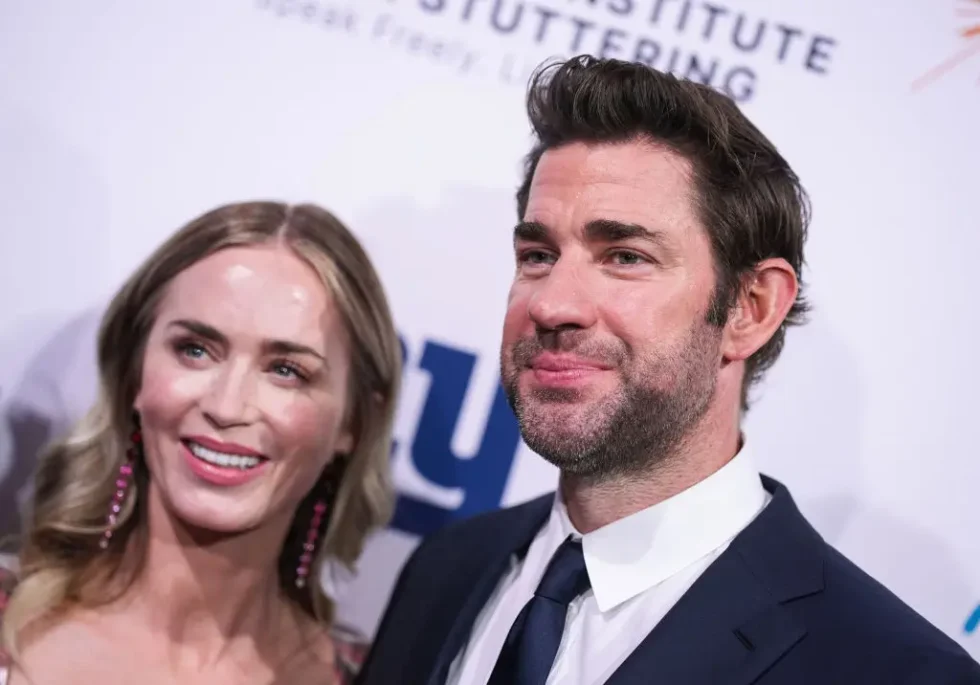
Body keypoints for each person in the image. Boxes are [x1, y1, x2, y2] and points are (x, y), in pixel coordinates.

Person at [356, 56, 980, 684]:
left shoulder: (893, 671)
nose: (551, 304)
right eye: (538, 254)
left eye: (625, 256)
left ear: (750, 309)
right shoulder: (446, 569)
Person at [0, 201, 402, 684]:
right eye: (195, 351)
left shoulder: (377, 675)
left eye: (286, 371)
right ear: (134, 374)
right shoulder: (10, 618)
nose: (227, 406)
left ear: (355, 420)